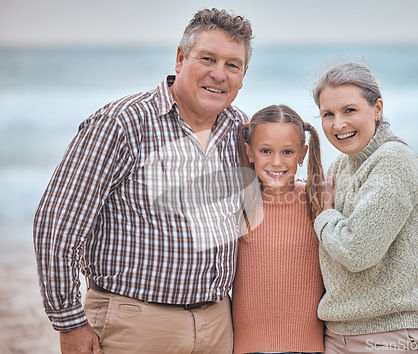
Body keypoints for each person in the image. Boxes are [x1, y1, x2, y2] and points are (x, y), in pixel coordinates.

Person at [33, 8, 253, 354]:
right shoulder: (121, 124)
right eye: (207, 58)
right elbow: (57, 226)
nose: (218, 74)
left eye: (232, 65)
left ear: (243, 75)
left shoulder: (240, 128)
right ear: (180, 59)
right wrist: (69, 322)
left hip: (218, 325)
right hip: (134, 324)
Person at [312, 62, 418, 353]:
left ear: (377, 108)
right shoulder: (341, 164)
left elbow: (357, 251)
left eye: (350, 110)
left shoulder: (394, 160)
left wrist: (325, 213)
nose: (338, 124)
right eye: (327, 114)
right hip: (338, 332)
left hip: (389, 334)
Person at [231, 104, 325, 354]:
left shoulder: (320, 203)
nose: (276, 161)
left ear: (303, 154)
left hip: (308, 347)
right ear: (249, 152)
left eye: (287, 152)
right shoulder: (236, 206)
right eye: (265, 151)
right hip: (246, 348)